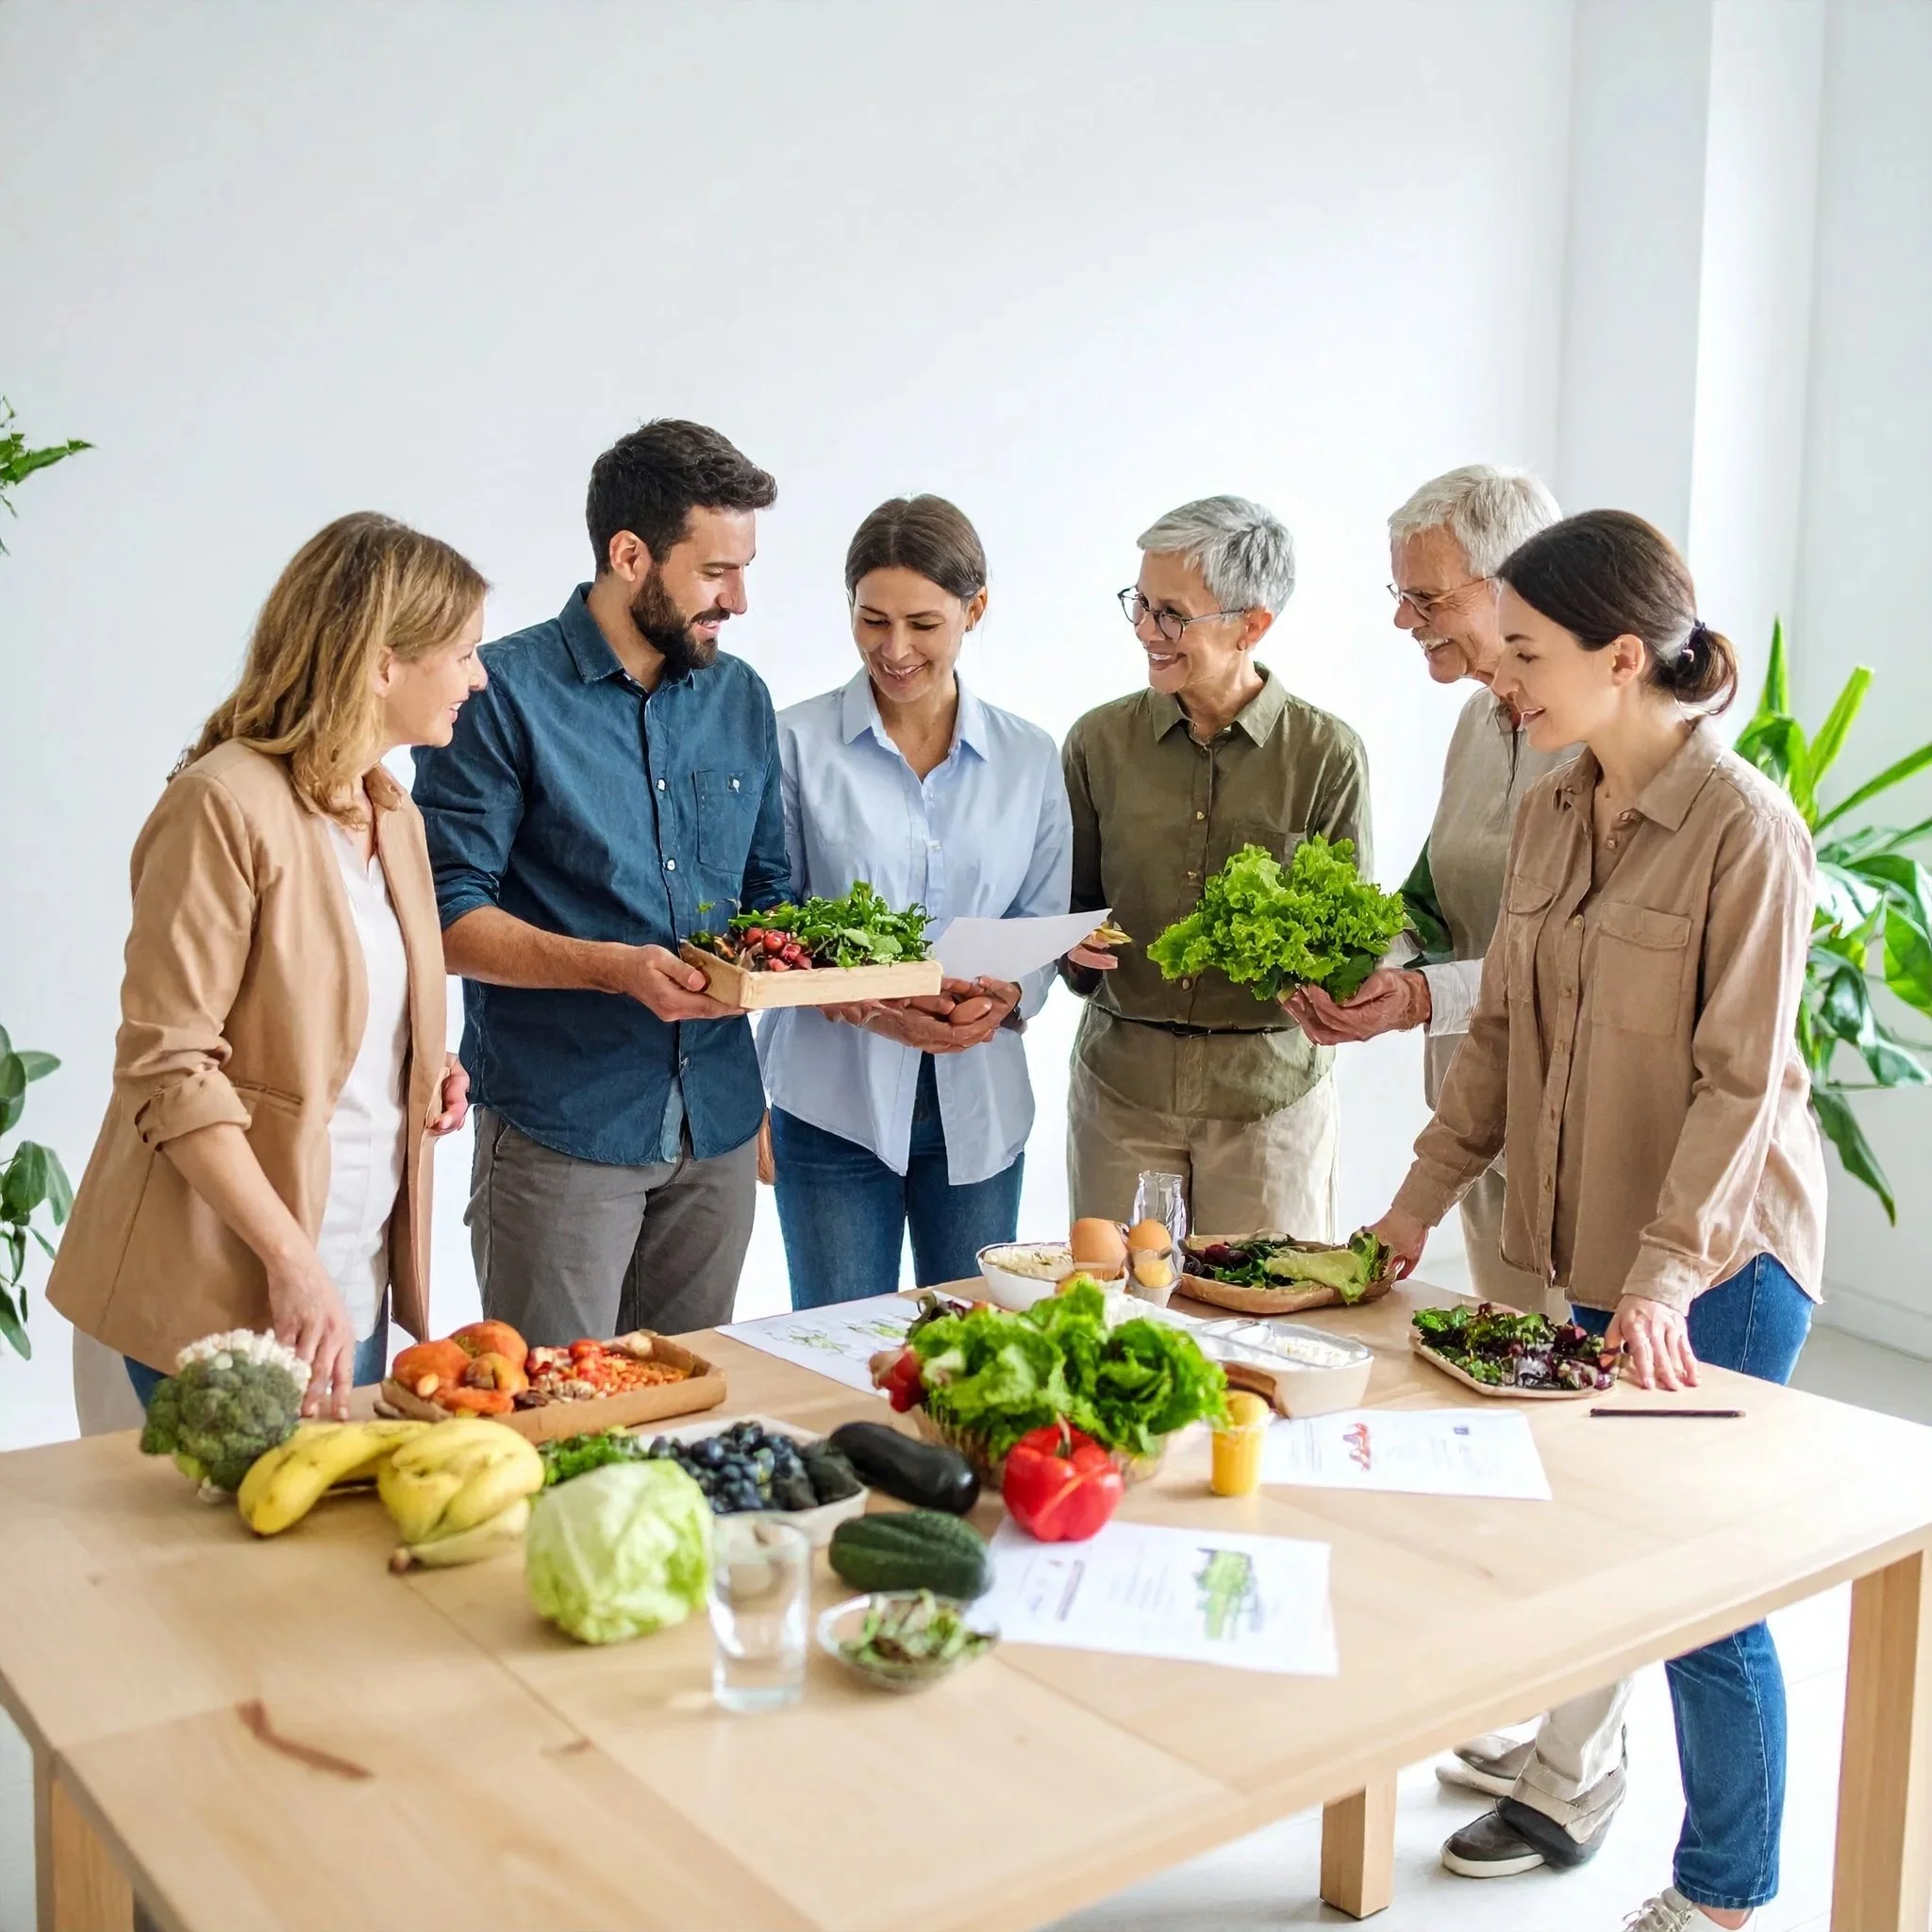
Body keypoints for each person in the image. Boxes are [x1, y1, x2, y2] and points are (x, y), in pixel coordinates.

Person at [1369, 510, 1826, 1928]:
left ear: (1623, 657)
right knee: (1598, 1548)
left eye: (1525, 653)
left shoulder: (1747, 831)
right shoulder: (1559, 805)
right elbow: (1500, 1035)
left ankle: (1725, 1891)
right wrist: (1407, 1214)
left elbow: (1740, 1084)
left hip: (1719, 1272)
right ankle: (1577, 1775)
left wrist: (1664, 1282)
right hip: (1593, 1256)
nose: (1502, 679)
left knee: (1705, 1596)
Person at [53, 513, 483, 1426]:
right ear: (381, 662)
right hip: (220, 1288)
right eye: (462, 651)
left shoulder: (391, 812)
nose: (478, 676)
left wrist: (424, 1067)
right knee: (202, 1570)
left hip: (348, 1285)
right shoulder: (220, 803)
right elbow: (168, 1066)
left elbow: (340, 1015)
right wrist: (293, 1261)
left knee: (321, 1564)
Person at [413, 419, 790, 1347]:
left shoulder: (739, 695)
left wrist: (857, 982)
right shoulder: (496, 692)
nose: (737, 598)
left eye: (743, 568)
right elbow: (446, 915)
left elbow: (770, 889)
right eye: (714, 571)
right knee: (556, 1421)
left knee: (680, 1423)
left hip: (717, 1127)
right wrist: (615, 967)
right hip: (561, 1129)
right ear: (629, 554)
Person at [758, 495, 1072, 1305]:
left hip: (980, 1108)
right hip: (831, 1104)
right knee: (835, 1347)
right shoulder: (792, 743)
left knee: (975, 1355)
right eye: (872, 620)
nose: (893, 650)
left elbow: (1041, 920)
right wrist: (868, 1003)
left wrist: (1007, 997)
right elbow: (770, 920)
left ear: (976, 610)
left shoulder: (1030, 758)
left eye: (923, 625)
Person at [1288, 463, 1573, 1319]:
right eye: (1400, 592)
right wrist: (1362, 966)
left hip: (1572, 1135)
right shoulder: (1476, 723)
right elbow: (1432, 902)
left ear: (1512, 585)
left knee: (1577, 1403)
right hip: (1475, 1124)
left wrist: (1417, 998)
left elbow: (1565, 958)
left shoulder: (1596, 746)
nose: (1402, 618)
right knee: (1505, 1378)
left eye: (1426, 597)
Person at [1061, 495, 1370, 1238]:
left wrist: (1332, 975)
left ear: (1251, 624)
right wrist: (1068, 944)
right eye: (1139, 603)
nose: (1145, 631)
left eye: (1171, 614)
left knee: (1262, 1328)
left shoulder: (1327, 755)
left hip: (1269, 1103)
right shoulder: (1097, 744)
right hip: (1121, 1091)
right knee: (1116, 1316)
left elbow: (1351, 947)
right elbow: (1067, 907)